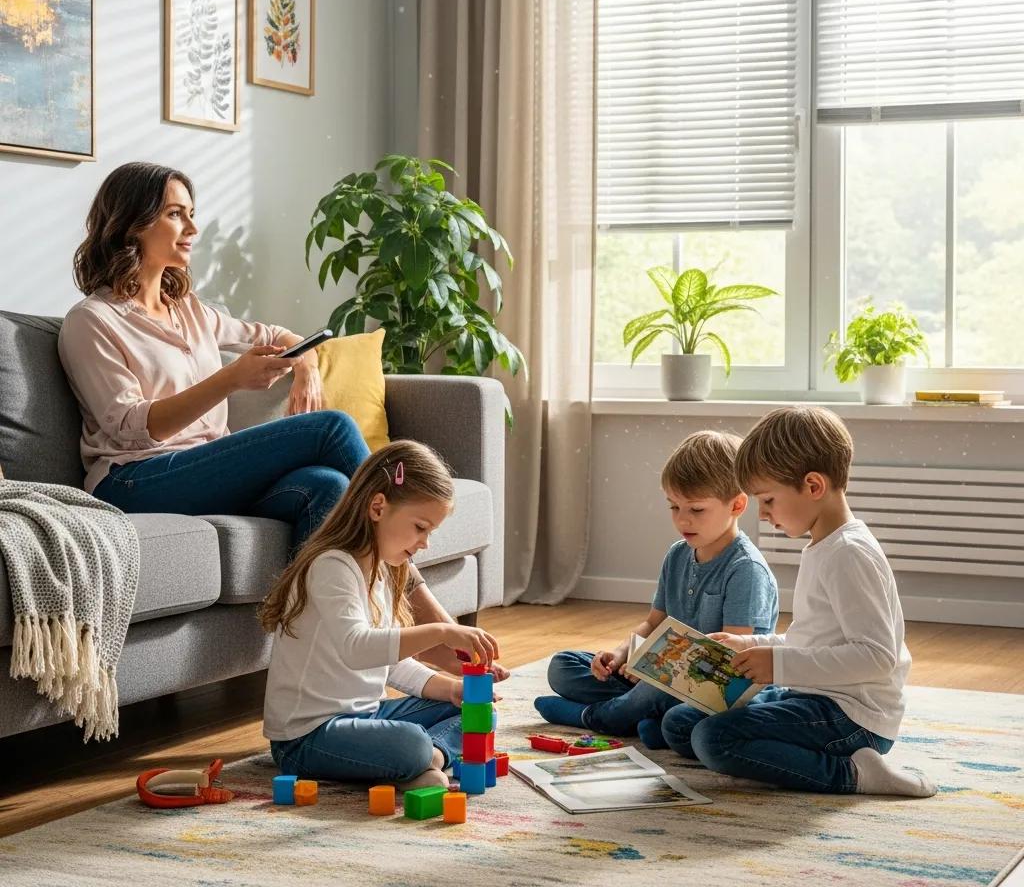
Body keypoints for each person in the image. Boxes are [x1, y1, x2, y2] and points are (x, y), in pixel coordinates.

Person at [58, 161, 372, 549]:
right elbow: (131, 425)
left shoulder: (188, 309)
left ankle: (308, 610)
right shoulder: (91, 321)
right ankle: (409, 584)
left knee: (328, 487)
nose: (192, 229)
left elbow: (276, 334)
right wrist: (231, 378)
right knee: (332, 428)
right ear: (132, 223)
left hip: (202, 467)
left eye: (192, 214)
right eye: (175, 214)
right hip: (133, 480)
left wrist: (307, 367)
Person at [664, 406, 936, 797]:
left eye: (769, 500)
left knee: (712, 739)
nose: (764, 513)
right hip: (813, 695)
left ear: (812, 486)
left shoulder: (849, 554)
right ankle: (774, 759)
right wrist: (754, 646)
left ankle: (855, 774)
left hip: (854, 718)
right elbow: (815, 641)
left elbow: (877, 657)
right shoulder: (824, 546)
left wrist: (777, 665)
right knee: (680, 723)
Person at [260, 440, 501, 789]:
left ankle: (425, 761)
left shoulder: (382, 569)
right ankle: (419, 758)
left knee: (478, 713)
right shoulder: (331, 566)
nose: (425, 543)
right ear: (377, 507)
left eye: (430, 532)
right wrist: (442, 632)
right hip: (307, 737)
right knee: (411, 743)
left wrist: (449, 688)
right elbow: (356, 648)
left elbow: (388, 662)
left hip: (367, 716)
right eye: (420, 527)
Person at [533, 431, 778, 747]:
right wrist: (622, 653)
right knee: (563, 666)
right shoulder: (678, 554)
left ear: (737, 505)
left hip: (712, 689)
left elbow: (729, 660)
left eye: (696, 510)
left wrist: (657, 672)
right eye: (674, 507)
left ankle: (598, 717)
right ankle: (642, 716)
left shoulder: (746, 569)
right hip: (662, 677)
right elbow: (653, 623)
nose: (682, 520)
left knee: (656, 694)